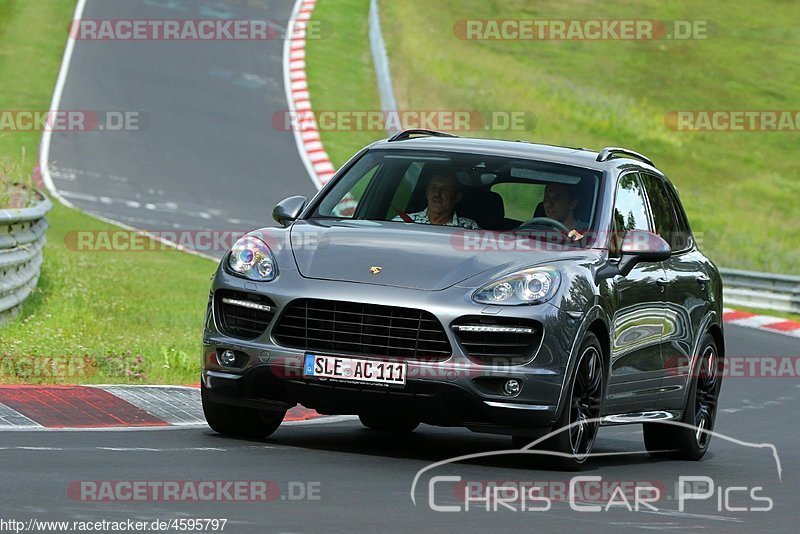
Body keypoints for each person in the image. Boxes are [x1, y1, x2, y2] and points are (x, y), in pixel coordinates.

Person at [393, 165, 479, 229]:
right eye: (433, 187)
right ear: (427, 193)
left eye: (445, 189)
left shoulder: (469, 228)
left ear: (457, 197)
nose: (437, 194)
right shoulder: (401, 223)